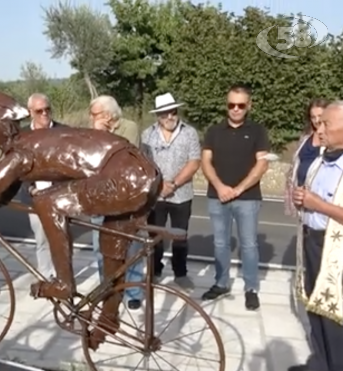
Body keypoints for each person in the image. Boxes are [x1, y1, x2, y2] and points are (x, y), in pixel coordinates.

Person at [0, 92, 162, 349]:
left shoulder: (19, 153)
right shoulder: (28, 142)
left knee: (46, 201)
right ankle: (109, 320)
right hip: (143, 173)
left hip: (125, 176)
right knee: (112, 252)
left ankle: (64, 283)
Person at [289, 101, 343, 371]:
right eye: (318, 124)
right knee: (313, 302)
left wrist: (316, 204)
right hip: (311, 238)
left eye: (326, 126)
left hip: (336, 246)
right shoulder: (322, 158)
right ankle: (322, 362)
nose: (319, 130)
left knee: (335, 310)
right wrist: (302, 200)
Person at [200, 84, 270, 310]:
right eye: (232, 105)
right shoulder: (214, 131)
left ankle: (251, 288)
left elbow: (262, 163)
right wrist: (220, 187)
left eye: (241, 105)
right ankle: (221, 283)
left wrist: (238, 189)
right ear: (226, 105)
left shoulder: (258, 131)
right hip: (217, 197)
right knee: (220, 243)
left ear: (249, 105)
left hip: (247, 198)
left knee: (249, 244)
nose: (236, 109)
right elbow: (205, 162)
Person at [88, 95, 145, 310]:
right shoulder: (92, 132)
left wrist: (106, 134)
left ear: (107, 115)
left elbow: (124, 157)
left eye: (94, 114)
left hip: (124, 199)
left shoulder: (129, 127)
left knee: (131, 247)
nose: (91, 118)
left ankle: (133, 291)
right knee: (100, 247)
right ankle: (108, 287)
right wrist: (97, 134)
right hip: (99, 198)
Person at [141, 93, 200, 289]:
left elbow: (194, 162)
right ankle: (154, 271)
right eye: (164, 114)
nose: (169, 117)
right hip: (155, 195)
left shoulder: (189, 133)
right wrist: (159, 186)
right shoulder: (147, 135)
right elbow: (144, 163)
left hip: (181, 195)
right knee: (155, 237)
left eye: (172, 112)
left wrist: (173, 184)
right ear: (158, 115)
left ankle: (180, 273)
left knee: (180, 236)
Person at [23, 93, 63, 278]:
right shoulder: (22, 136)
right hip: (36, 197)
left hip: (60, 198)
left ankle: (63, 276)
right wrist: (31, 189)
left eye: (48, 109)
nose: (45, 114)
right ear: (31, 112)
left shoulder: (64, 131)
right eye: (39, 111)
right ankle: (46, 276)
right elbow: (17, 169)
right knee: (42, 240)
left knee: (63, 240)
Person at [285, 99, 330, 217]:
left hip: (320, 196)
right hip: (301, 194)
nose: (316, 120)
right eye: (313, 117)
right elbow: (296, 161)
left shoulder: (331, 139)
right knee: (304, 230)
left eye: (320, 116)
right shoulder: (306, 137)